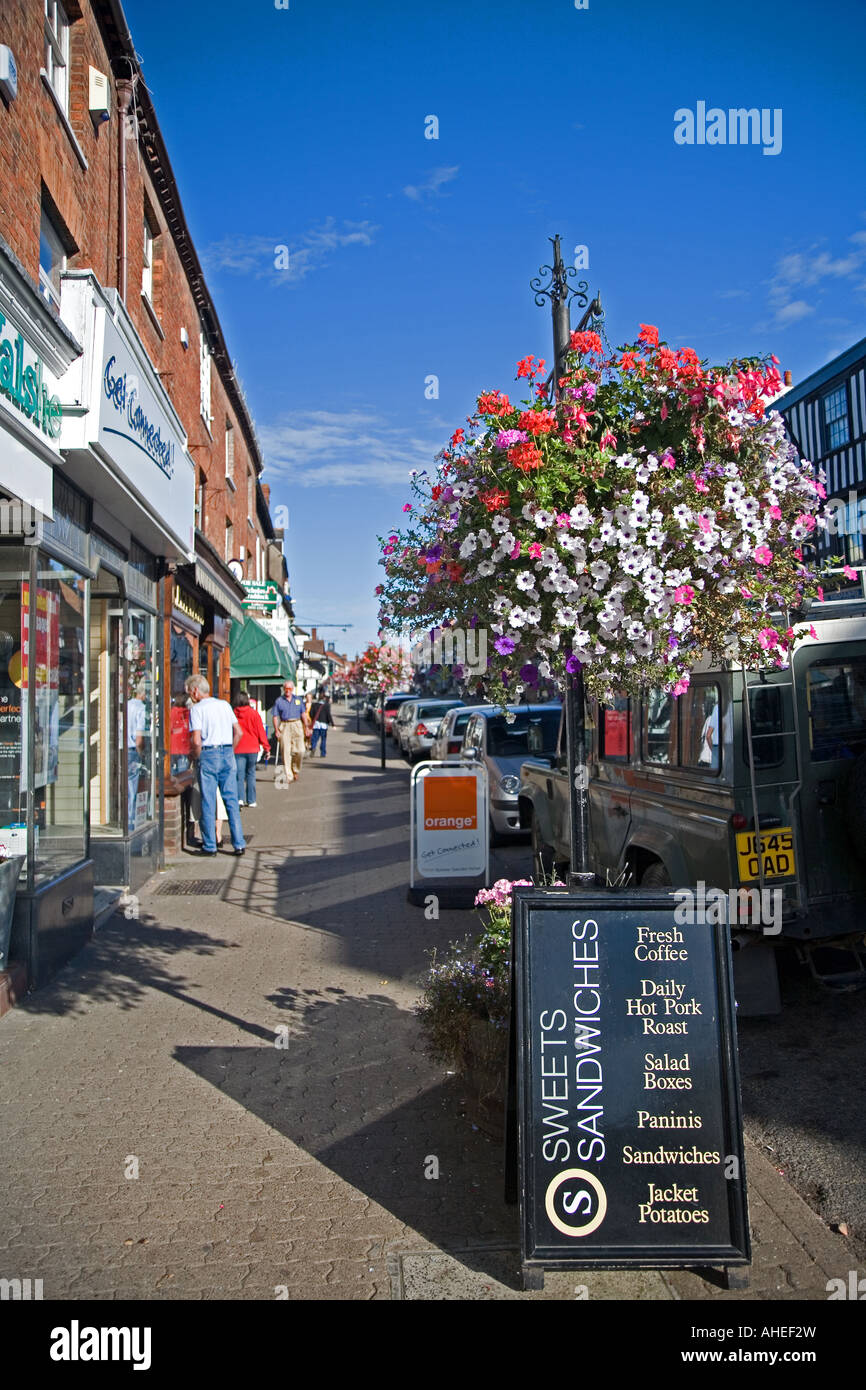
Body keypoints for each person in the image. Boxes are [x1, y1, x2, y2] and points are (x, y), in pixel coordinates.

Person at [185, 674, 246, 856]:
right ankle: (239, 843)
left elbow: (196, 740)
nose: (190, 696)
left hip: (208, 754)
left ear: (196, 690)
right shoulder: (224, 705)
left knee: (208, 801)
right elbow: (239, 732)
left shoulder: (197, 710)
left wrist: (196, 757)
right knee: (231, 801)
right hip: (227, 752)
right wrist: (230, 751)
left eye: (189, 692)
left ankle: (210, 845)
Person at [233, 690, 270, 807]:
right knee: (251, 774)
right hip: (252, 748)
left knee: (239, 775)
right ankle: (252, 800)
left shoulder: (233, 713)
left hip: (238, 748)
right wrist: (266, 747)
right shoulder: (254, 714)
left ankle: (240, 798)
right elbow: (260, 731)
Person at [272, 679, 305, 783]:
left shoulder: (298, 699)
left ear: (293, 689)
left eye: (290, 688)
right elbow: (275, 716)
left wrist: (307, 727)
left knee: (300, 750)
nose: (288, 690)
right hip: (285, 724)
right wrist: (276, 730)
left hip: (297, 724)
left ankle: (295, 769)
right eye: (286, 688)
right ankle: (289, 775)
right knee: (286, 751)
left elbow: (303, 713)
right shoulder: (279, 701)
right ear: (283, 689)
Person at [310, 690, 335, 757]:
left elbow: (311, 714)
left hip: (316, 724)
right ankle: (323, 753)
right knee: (323, 739)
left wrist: (313, 720)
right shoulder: (326, 706)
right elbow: (328, 715)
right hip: (324, 725)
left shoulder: (314, 705)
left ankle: (313, 747)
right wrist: (333, 724)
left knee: (315, 738)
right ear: (324, 698)